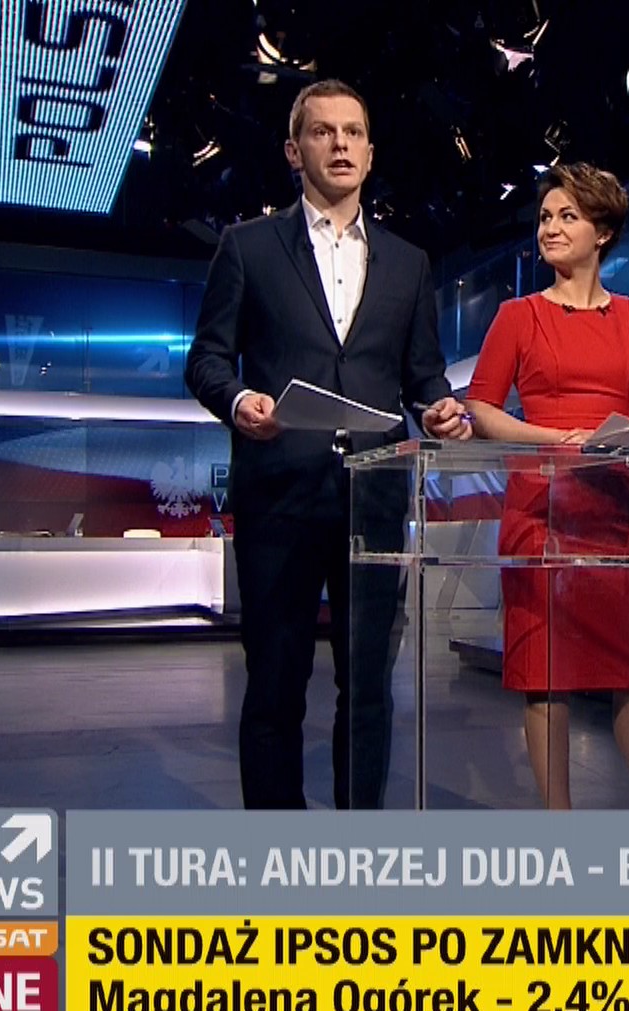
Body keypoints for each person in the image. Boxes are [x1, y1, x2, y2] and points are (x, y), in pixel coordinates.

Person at [185, 79, 472, 810]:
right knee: (275, 687)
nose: (340, 144)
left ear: (370, 154)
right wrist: (239, 400)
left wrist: (440, 409)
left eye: (354, 133)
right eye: (323, 132)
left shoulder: (409, 263)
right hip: (279, 495)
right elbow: (207, 360)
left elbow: (422, 375)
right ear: (294, 151)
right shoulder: (247, 247)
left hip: (373, 501)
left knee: (368, 689)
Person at [463, 163, 629, 811]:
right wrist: (553, 439)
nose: (550, 228)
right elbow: (481, 408)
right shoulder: (518, 316)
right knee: (546, 676)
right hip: (540, 512)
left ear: (603, 232)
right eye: (544, 217)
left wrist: (622, 437)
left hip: (613, 512)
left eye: (567, 216)